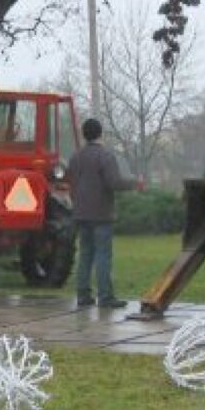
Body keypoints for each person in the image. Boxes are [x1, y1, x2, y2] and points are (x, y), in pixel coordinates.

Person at [66, 118, 139, 309]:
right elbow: (114, 182)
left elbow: (70, 183)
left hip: (81, 213)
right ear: (100, 134)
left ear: (84, 134)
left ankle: (83, 295)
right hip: (101, 213)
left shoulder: (75, 157)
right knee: (103, 255)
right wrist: (134, 183)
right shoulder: (105, 156)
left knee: (85, 254)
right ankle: (105, 296)